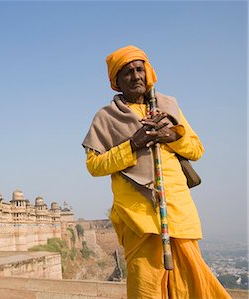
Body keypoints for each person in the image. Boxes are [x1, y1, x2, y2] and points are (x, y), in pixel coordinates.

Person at [82, 45, 230, 298]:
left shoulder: (169, 106)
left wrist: (171, 136)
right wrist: (132, 144)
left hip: (177, 210)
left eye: (140, 69)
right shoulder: (106, 117)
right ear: (116, 81)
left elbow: (196, 150)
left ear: (148, 72)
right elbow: (94, 166)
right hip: (138, 216)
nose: (136, 76)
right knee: (146, 288)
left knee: (191, 285)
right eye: (127, 72)